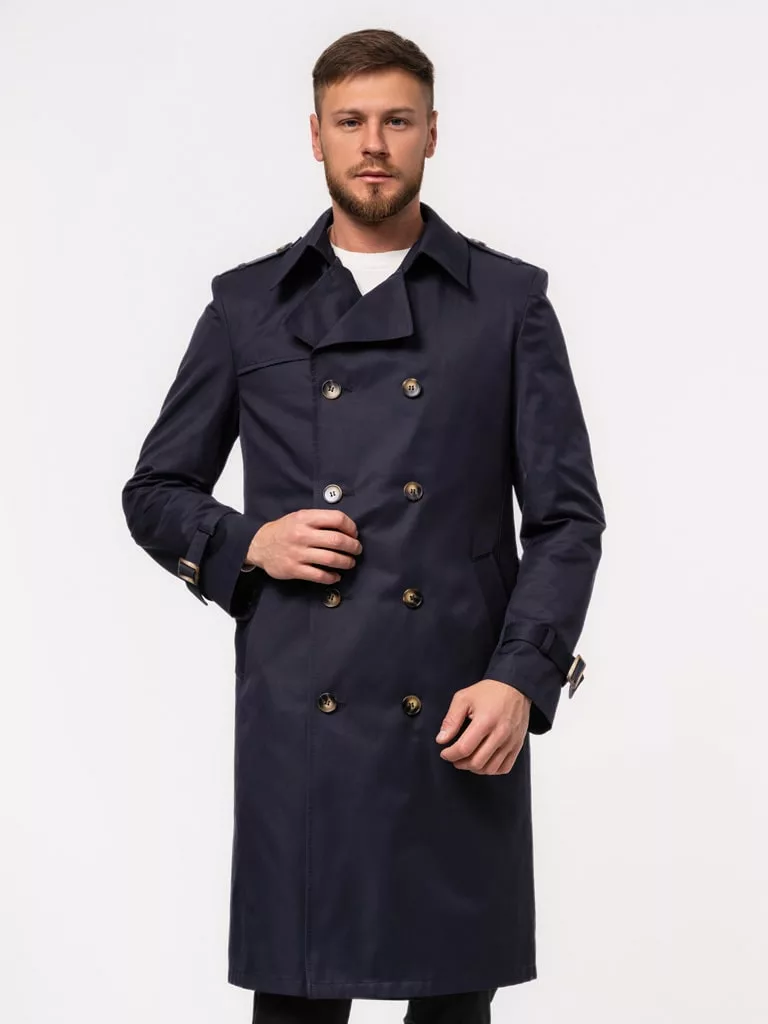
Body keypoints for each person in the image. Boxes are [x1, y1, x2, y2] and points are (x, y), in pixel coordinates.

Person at [122, 26, 606, 1024]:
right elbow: (156, 488)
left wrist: (520, 678)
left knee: (453, 1008)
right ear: (316, 136)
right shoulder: (249, 305)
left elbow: (566, 518)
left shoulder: (508, 302)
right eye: (350, 121)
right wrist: (248, 543)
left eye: (396, 121)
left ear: (433, 132)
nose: (373, 144)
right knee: (296, 1007)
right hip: (306, 726)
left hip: (457, 712)